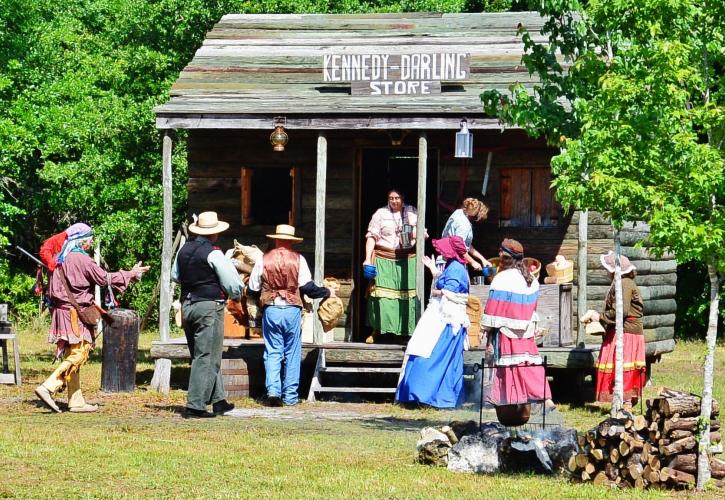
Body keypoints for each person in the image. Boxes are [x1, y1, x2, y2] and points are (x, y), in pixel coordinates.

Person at [35, 224, 149, 413]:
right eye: (89, 238)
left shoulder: (59, 258)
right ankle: (48, 386)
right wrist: (131, 274)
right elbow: (104, 279)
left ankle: (76, 400)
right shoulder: (81, 259)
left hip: (64, 312)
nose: (91, 241)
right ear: (82, 241)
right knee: (80, 352)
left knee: (72, 354)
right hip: (74, 314)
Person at [247, 224, 334, 406]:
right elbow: (308, 288)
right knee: (292, 352)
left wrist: (265, 296)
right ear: (291, 241)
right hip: (292, 309)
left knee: (273, 351)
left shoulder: (264, 259)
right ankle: (291, 396)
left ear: (276, 239)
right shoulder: (298, 259)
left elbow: (253, 288)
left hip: (271, 308)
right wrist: (326, 292)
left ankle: (273, 393)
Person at [173, 211, 244, 419]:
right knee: (208, 356)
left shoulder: (183, 250)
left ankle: (218, 400)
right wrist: (237, 295)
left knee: (202, 354)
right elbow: (233, 284)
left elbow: (174, 276)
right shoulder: (214, 253)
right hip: (208, 307)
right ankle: (195, 406)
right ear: (214, 234)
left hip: (187, 305)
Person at [396, 236, 470, 408]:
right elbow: (444, 282)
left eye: (445, 250)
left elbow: (452, 292)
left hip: (446, 318)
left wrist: (438, 292)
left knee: (432, 355)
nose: (441, 252)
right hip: (439, 315)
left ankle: (425, 395)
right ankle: (419, 394)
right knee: (423, 350)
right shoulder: (453, 266)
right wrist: (433, 270)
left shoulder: (457, 268)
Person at [480, 239, 553, 409]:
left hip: (507, 331)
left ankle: (512, 401)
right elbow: (533, 308)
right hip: (526, 330)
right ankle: (544, 397)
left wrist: (484, 328)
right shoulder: (531, 279)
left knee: (510, 366)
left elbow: (493, 307)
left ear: (503, 256)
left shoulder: (502, 278)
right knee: (529, 365)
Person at [582, 251, 645, 406]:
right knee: (618, 366)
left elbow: (621, 311)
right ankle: (621, 402)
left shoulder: (625, 284)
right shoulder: (621, 283)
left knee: (623, 367)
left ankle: (626, 403)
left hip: (627, 332)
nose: (606, 272)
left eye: (608, 269)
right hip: (620, 330)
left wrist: (599, 317)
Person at [362, 189, 419, 343]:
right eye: (391, 198)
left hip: (406, 258)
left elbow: (419, 232)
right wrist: (367, 258)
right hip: (383, 257)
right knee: (380, 296)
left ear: (403, 198)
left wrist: (419, 234)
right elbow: (372, 237)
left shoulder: (412, 211)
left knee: (406, 296)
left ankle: (406, 332)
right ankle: (377, 330)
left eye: (397, 198)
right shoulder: (380, 213)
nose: (394, 201)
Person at [439, 198, 492, 271]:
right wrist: (473, 262)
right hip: (451, 263)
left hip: (445, 259)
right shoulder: (464, 224)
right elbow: (458, 246)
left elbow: (465, 244)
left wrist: (482, 259)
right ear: (476, 215)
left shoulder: (459, 212)